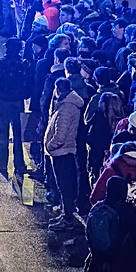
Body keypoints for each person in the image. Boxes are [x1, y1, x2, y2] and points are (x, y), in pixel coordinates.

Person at [0, 38, 32, 180]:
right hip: (18, 102)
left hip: (3, 103)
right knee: (18, 134)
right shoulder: (24, 64)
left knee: (2, 133)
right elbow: (30, 83)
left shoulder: (0, 63)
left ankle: (2, 163)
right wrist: (23, 95)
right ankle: (19, 164)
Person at [45, 78, 85, 230]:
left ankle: (67, 219)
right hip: (63, 151)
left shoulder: (66, 108)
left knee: (65, 186)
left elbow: (60, 135)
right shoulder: (66, 104)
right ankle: (66, 213)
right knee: (65, 185)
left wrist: (50, 146)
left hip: (61, 152)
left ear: (58, 89)